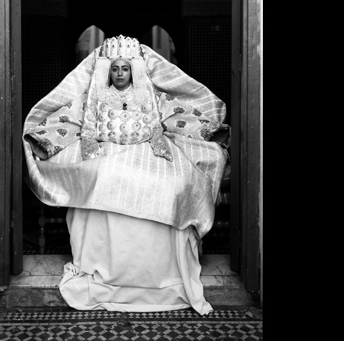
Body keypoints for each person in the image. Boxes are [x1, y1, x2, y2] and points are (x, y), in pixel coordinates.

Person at [23, 35, 229, 315]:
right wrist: (45, 140)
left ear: (135, 70)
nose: (120, 74)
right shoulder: (94, 96)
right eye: (115, 69)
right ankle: (110, 273)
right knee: (101, 178)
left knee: (172, 183)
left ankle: (161, 277)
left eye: (125, 69)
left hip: (149, 151)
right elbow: (69, 119)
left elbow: (178, 116)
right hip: (105, 154)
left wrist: (207, 130)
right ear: (108, 70)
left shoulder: (151, 96)